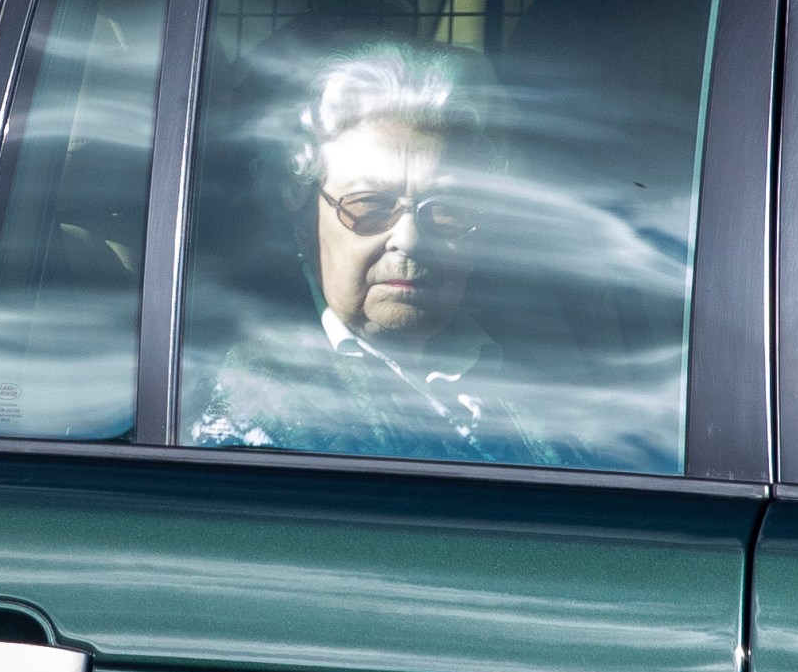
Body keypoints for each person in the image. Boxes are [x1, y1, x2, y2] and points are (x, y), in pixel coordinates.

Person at [188, 41, 582, 465]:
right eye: (370, 206)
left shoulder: (533, 352)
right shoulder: (251, 391)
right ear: (304, 210)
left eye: (447, 211)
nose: (409, 240)